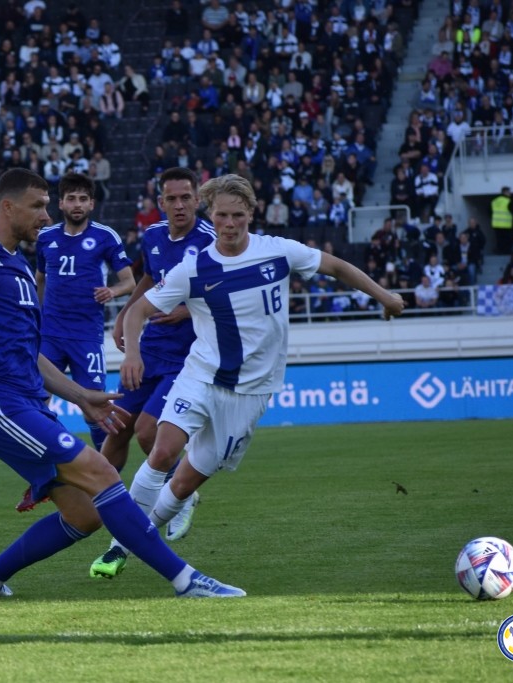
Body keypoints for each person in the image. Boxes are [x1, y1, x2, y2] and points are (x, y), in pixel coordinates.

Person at [0, 169, 244, 599]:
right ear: (7, 207)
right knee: (103, 471)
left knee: (85, 515)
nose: (46, 215)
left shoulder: (20, 268)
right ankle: (186, 580)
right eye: (37, 206)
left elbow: (32, 354)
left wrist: (81, 396)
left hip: (30, 402)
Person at [111, 175, 404, 558]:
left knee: (182, 486)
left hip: (250, 392)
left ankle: (141, 535)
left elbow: (336, 267)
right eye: (221, 216)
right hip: (201, 375)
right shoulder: (193, 268)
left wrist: (385, 296)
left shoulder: (278, 252)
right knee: (162, 451)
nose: (229, 224)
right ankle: (121, 545)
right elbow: (139, 310)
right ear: (211, 215)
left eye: (237, 215)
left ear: (251, 212)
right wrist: (132, 353)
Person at [89, 168, 216, 580]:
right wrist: (127, 313)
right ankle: (102, 502)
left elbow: (226, 293)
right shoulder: (155, 236)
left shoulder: (211, 240)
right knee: (116, 429)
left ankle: (182, 492)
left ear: (197, 200)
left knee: (148, 432)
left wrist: (185, 311)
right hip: (151, 351)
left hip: (187, 357)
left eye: (186, 197)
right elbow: (148, 277)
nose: (179, 205)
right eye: (171, 198)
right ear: (160, 202)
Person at [35, 173, 135, 453]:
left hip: (86, 336)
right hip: (50, 334)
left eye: (82, 199)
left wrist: (112, 291)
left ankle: (107, 469)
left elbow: (129, 282)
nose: (77, 204)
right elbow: (40, 279)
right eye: (71, 199)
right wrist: (36, 316)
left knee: (95, 408)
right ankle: (51, 464)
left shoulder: (105, 237)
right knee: (37, 401)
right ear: (61, 203)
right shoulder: (46, 237)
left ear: (91, 204)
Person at [490, 186, 513, 254]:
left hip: (496, 224)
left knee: (499, 240)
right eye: (509, 192)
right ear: (505, 192)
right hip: (506, 224)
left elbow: (490, 211)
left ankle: (500, 251)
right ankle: (506, 252)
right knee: (507, 240)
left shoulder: (495, 201)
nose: (510, 193)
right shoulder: (508, 201)